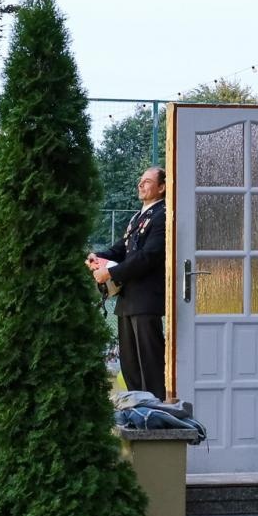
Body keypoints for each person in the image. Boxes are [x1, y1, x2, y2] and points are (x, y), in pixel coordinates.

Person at [89, 166, 167, 395]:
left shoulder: (163, 215)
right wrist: (98, 257)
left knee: (150, 364)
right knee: (130, 363)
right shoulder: (138, 216)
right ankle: (137, 409)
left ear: (162, 187)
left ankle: (154, 410)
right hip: (127, 301)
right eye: (140, 180)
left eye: (147, 181)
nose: (140, 185)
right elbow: (122, 249)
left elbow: (148, 257)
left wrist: (111, 274)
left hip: (146, 301)